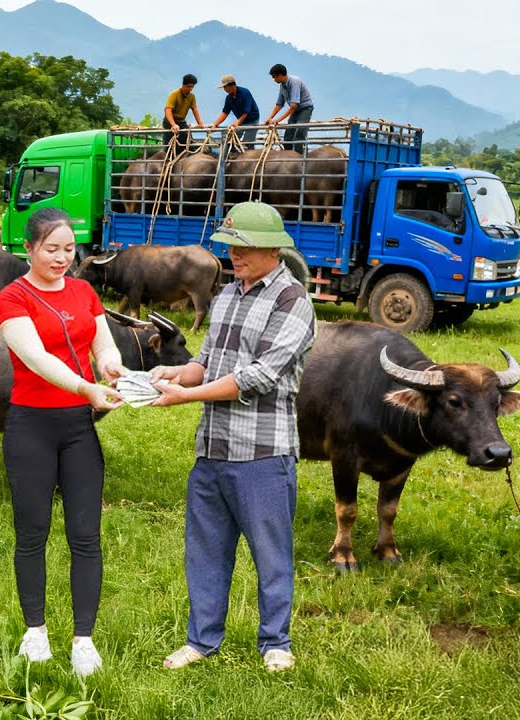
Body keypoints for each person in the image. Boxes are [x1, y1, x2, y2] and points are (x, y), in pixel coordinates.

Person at [150, 201, 316, 673]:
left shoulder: (292, 301)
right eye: (229, 246)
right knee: (205, 551)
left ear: (272, 249)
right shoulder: (225, 294)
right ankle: (201, 640)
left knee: (271, 553)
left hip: (262, 453)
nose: (232, 255)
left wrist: (187, 397)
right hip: (212, 448)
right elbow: (207, 361)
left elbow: (258, 377)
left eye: (242, 247)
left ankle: (276, 642)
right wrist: (176, 374)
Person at [0, 207, 126, 678]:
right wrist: (87, 388)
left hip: (78, 429)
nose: (62, 257)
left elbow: (101, 344)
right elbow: (35, 358)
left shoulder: (84, 291)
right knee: (32, 533)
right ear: (28, 248)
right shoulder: (12, 298)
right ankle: (36, 631)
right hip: (31, 426)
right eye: (51, 249)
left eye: (69, 249)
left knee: (86, 535)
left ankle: (83, 639)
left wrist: (110, 367)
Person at [263, 64, 315, 152]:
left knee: (300, 131)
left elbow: (294, 106)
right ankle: (288, 155)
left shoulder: (294, 82)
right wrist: (270, 118)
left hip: (305, 108)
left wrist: (278, 120)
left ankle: (300, 156)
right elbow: (279, 104)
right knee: (288, 135)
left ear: (280, 75)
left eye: (274, 77)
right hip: (296, 110)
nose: (274, 79)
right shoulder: (282, 85)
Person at [207, 74, 260, 150]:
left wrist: (237, 122)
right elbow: (225, 112)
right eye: (224, 87)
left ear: (232, 85)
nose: (225, 89)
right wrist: (215, 124)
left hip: (252, 120)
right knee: (230, 140)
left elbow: (246, 111)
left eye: (226, 87)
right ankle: (228, 155)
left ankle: (250, 154)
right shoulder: (229, 98)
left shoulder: (245, 93)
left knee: (248, 142)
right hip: (241, 121)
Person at [163, 74, 204, 150]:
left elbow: (194, 109)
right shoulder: (174, 94)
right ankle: (169, 153)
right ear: (183, 85)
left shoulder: (192, 96)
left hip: (181, 122)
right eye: (188, 86)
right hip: (170, 122)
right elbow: (168, 110)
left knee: (188, 140)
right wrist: (173, 124)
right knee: (169, 145)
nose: (190, 89)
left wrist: (199, 123)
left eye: (192, 87)